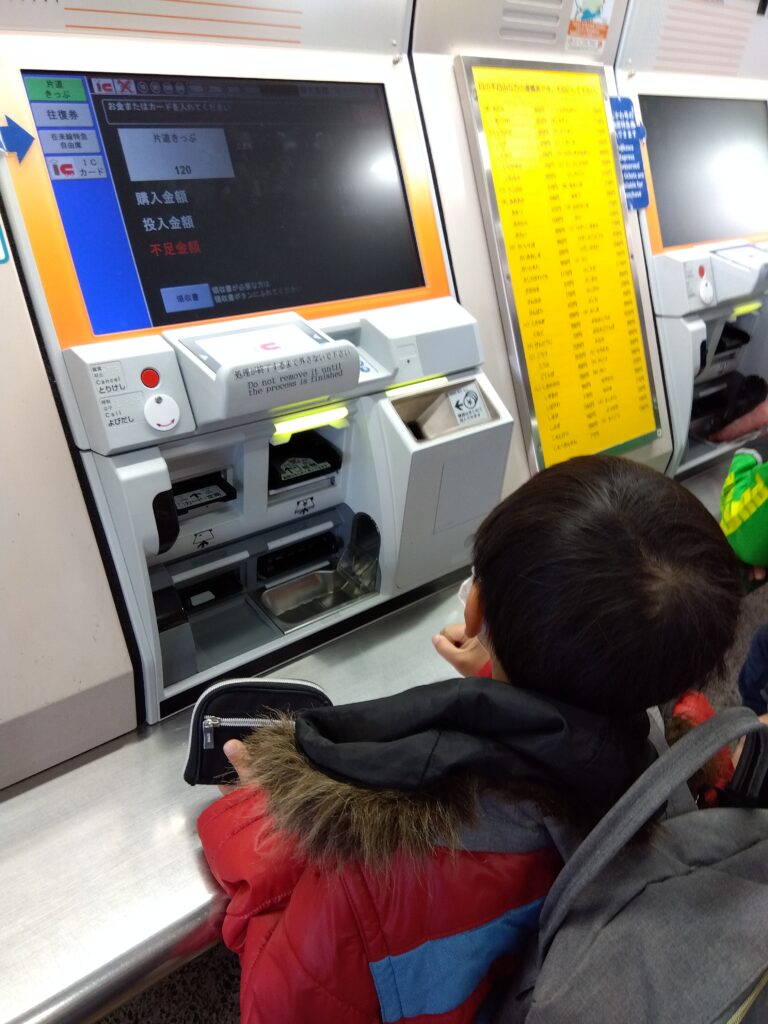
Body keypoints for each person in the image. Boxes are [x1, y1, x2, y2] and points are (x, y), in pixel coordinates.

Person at [198, 455, 745, 1024]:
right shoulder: (666, 765)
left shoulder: (377, 874)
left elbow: (280, 1006)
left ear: (475, 607)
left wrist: (265, 825)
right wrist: (512, 681)